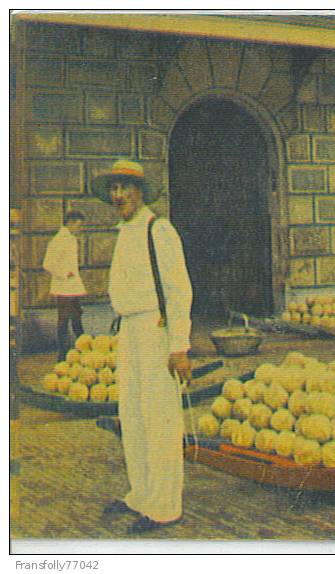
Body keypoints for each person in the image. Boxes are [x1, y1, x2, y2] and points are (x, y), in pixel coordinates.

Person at [92, 159, 193, 534]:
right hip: (129, 331)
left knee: (160, 418)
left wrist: (179, 345)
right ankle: (140, 494)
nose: (118, 195)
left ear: (140, 192)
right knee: (132, 415)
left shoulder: (158, 229)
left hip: (156, 328)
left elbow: (179, 289)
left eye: (125, 188)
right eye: (114, 189)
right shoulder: (124, 231)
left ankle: (165, 506)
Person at [43, 211, 87, 361]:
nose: (80, 229)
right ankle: (62, 354)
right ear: (70, 223)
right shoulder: (59, 240)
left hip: (72, 287)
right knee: (64, 320)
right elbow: (47, 264)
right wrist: (64, 273)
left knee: (77, 316)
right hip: (63, 287)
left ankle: (84, 348)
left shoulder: (71, 239)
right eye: (79, 226)